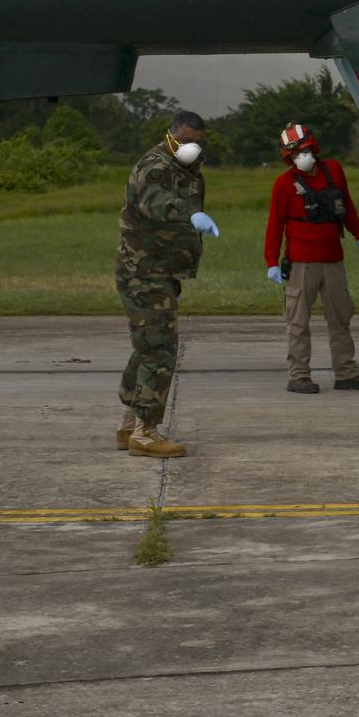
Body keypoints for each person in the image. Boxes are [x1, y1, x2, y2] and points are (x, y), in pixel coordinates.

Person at [116, 109, 221, 458]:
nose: (192, 147)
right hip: (144, 272)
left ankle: (129, 423)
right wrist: (191, 214)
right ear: (171, 136)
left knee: (147, 346)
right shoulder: (154, 166)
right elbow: (154, 202)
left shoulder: (188, 169)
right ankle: (146, 432)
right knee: (160, 351)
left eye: (198, 142)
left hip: (161, 272)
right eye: (186, 141)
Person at [263, 120, 359, 394]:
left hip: (333, 261)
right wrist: (271, 262)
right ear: (287, 156)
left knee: (341, 318)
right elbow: (275, 225)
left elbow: (347, 205)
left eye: (304, 150)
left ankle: (346, 373)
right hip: (301, 263)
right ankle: (299, 376)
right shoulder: (283, 184)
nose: (301, 156)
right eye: (295, 153)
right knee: (298, 322)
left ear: (313, 147)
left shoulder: (334, 171)